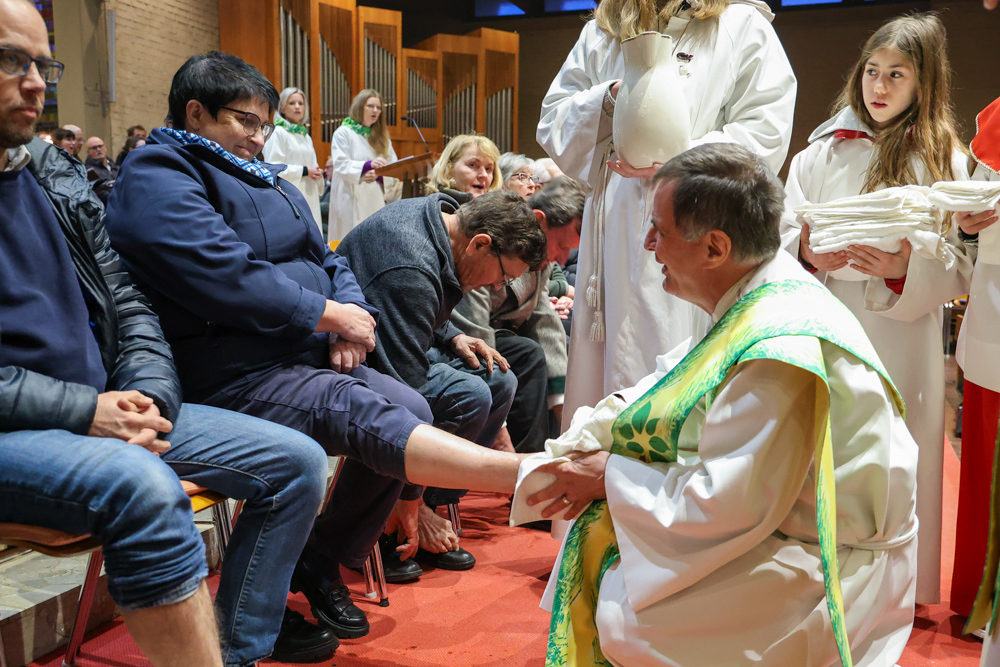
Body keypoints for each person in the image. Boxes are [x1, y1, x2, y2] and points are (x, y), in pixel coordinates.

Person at [104, 50, 532, 643]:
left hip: (295, 351)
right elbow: (224, 275)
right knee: (361, 412)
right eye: (246, 122)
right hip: (228, 366)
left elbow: (330, 261)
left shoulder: (263, 178)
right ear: (195, 112)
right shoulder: (159, 172)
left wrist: (350, 319)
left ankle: (321, 556)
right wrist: (328, 317)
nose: (259, 138)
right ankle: (526, 475)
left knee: (412, 403)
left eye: (264, 124)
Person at [0, 4, 335, 664]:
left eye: (43, 63)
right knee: (141, 486)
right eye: (12, 60)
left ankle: (240, 650)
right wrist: (85, 411)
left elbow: (126, 300)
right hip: (23, 427)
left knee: (296, 463)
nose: (36, 82)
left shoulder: (49, 171)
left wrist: (149, 395)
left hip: (107, 406)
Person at [520, 143, 918, 666]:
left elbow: (729, 504)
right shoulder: (761, 288)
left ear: (714, 248)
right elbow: (676, 381)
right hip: (782, 519)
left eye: (659, 230)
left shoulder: (781, 345)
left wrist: (609, 477)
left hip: (830, 560)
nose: (648, 244)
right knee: (611, 556)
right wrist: (589, 439)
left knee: (627, 623)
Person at [780, 13, 973, 605]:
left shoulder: (943, 158)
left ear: (924, 83)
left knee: (894, 452)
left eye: (897, 75)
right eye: (871, 71)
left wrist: (900, 269)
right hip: (828, 321)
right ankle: (819, 575)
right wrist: (806, 251)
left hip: (901, 334)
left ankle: (895, 589)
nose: (879, 86)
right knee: (830, 447)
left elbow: (962, 258)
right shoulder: (821, 151)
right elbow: (783, 227)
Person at [537, 0, 797, 424]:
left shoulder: (740, 25)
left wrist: (680, 160)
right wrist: (610, 98)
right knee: (607, 373)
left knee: (673, 354)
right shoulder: (605, 29)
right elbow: (553, 120)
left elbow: (764, 131)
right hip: (616, 220)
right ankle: (603, 460)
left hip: (698, 216)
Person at [336, 188, 547, 573]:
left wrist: (452, 334)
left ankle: (431, 504)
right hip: (349, 356)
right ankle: (394, 521)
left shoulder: (444, 220)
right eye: (503, 276)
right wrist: (410, 497)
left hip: (392, 339)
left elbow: (419, 308)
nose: (497, 287)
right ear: (480, 244)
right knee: (468, 395)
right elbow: (408, 394)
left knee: (499, 379)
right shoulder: (410, 263)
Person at [450, 176, 585, 453]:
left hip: (500, 332)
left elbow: (542, 316)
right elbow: (475, 325)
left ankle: (546, 451)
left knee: (551, 351)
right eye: (562, 247)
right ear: (539, 220)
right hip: (458, 333)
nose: (562, 259)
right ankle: (523, 458)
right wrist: (500, 434)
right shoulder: (497, 240)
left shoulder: (542, 255)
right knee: (528, 354)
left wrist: (564, 409)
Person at [951, 97, 1000, 637]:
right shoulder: (996, 120)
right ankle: (985, 601)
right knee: (989, 462)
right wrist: (966, 228)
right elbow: (968, 228)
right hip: (995, 312)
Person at [326, 88, 401, 241]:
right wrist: (367, 166)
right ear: (360, 107)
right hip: (349, 198)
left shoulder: (382, 139)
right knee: (349, 240)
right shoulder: (344, 132)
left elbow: (394, 168)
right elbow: (341, 164)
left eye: (378, 107)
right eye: (370, 106)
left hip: (375, 198)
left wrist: (379, 176)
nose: (375, 110)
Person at [262, 86, 324, 230]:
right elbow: (273, 167)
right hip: (290, 194)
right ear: (282, 108)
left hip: (309, 193)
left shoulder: (305, 136)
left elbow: (312, 165)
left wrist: (317, 173)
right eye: (292, 103)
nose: (297, 107)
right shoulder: (278, 133)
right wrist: (304, 171)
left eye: (300, 103)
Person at [425, 133, 502, 203]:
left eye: (488, 169)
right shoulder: (433, 209)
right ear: (448, 169)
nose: (484, 175)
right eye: (472, 165)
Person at [85, 134, 119, 202]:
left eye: (100, 146)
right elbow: (99, 192)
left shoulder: (115, 167)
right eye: (94, 148)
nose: (98, 149)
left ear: (105, 148)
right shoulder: (88, 171)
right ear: (88, 152)